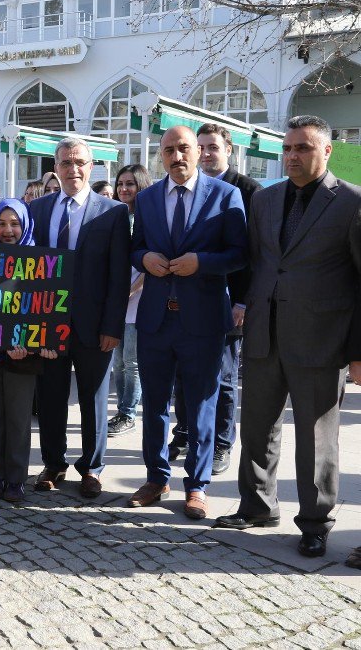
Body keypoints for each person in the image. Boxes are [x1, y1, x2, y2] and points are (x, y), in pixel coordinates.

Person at [216, 115, 361, 562]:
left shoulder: (352, 202)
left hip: (321, 339)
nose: (293, 156)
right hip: (264, 332)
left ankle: (316, 523)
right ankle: (257, 506)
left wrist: (357, 352)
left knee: (317, 440)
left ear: (326, 151)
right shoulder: (265, 199)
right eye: (288, 148)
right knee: (258, 427)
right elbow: (260, 264)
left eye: (303, 148)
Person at [128, 125, 247, 520]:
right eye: (168, 151)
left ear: (198, 152)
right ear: (160, 156)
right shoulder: (146, 199)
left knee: (201, 407)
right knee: (155, 406)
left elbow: (240, 253)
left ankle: (196, 485)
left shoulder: (226, 195)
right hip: (156, 321)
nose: (176, 157)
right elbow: (137, 246)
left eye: (183, 149)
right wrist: (143, 259)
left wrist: (203, 263)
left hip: (203, 321)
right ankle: (156, 477)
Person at [28, 138, 131, 499]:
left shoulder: (113, 212)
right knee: (51, 397)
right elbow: (26, 272)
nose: (74, 169)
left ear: (92, 166)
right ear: (55, 167)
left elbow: (119, 276)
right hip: (48, 325)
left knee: (94, 399)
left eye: (80, 162)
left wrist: (112, 327)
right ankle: (53, 462)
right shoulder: (37, 210)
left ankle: (92, 467)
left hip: (94, 325)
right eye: (66, 162)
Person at [168, 123, 261, 474]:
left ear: (229, 150)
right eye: (201, 147)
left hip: (228, 303)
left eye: (213, 148)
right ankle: (185, 431)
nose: (206, 154)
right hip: (185, 301)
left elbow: (252, 254)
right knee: (183, 373)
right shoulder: (186, 186)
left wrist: (242, 302)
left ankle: (222, 442)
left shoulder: (247, 191)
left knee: (221, 378)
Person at [0, 198, 56, 503]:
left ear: (26, 225)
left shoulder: (39, 262)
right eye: (1, 223)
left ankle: (16, 478)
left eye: (14, 223)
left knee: (18, 420)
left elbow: (46, 310)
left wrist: (35, 345)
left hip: (23, 358)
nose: (7, 230)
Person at [107, 164, 152, 437]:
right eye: (121, 183)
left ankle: (128, 412)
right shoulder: (116, 215)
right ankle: (122, 411)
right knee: (118, 361)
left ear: (141, 186)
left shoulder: (148, 218)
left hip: (137, 300)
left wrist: (131, 291)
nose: (124, 188)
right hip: (116, 301)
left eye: (130, 184)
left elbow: (150, 266)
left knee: (132, 361)